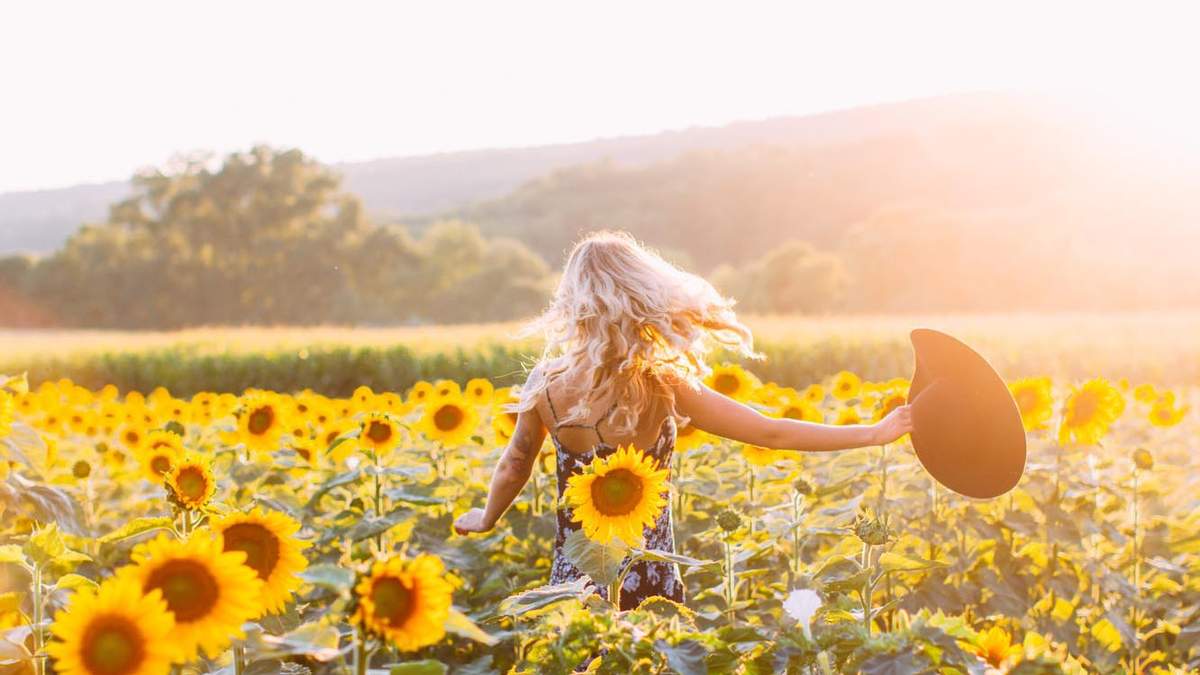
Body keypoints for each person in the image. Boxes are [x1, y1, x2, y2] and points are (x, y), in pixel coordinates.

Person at [453, 230, 912, 609]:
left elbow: (516, 462)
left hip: (574, 579)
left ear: (573, 301)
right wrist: (873, 433)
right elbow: (768, 431)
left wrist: (486, 516)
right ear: (642, 293)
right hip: (649, 574)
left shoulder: (546, 381)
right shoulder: (659, 381)